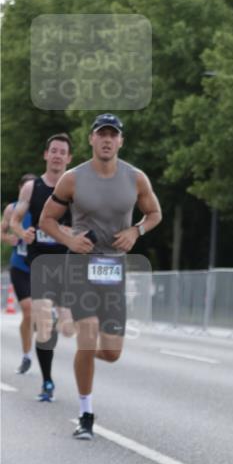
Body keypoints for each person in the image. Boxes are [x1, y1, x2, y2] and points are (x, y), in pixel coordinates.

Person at [39, 114, 162, 438]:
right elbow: (47, 220)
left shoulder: (135, 179)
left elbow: (155, 213)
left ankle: (83, 349)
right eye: (101, 134)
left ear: (120, 141)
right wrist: (68, 239)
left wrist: (136, 231)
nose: (107, 139)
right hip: (81, 264)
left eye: (113, 135)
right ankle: (86, 414)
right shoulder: (72, 178)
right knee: (88, 331)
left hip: (114, 267)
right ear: (91, 139)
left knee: (111, 352)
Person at [10, 136, 74, 401]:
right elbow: (14, 220)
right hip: (38, 264)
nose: (58, 156)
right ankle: (47, 382)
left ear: (69, 159)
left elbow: (87, 222)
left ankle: (62, 315)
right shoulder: (31, 188)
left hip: (66, 264)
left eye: (63, 152)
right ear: (46, 155)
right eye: (54, 151)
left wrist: (72, 232)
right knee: (44, 326)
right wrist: (22, 232)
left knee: (68, 326)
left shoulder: (74, 187)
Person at [1, 174, 37, 373]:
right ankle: (26, 356)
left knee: (39, 314)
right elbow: (1, 232)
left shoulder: (46, 207)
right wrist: (10, 239)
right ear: (21, 189)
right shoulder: (12, 209)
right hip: (20, 266)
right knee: (28, 310)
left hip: (41, 266)